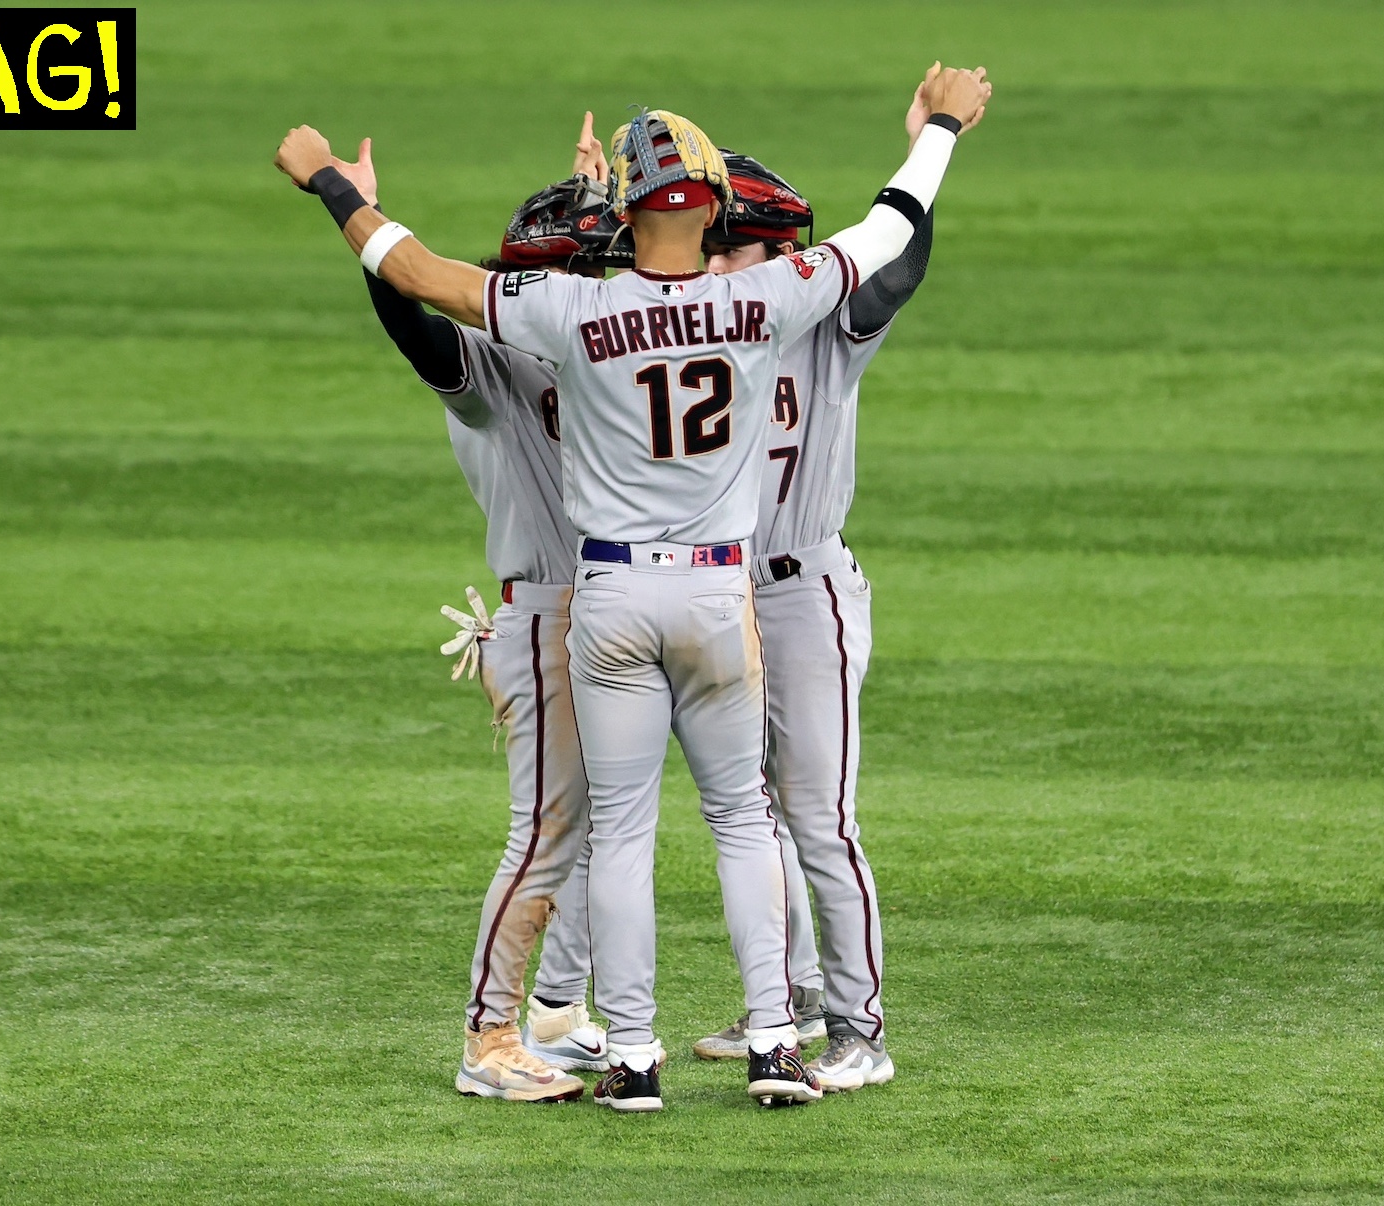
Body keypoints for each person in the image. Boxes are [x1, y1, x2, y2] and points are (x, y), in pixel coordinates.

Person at [273, 63, 991, 1111]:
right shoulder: (762, 297)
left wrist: (338, 193)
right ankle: (773, 1040)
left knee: (615, 832)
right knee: (744, 821)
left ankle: (633, 1055)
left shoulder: (565, 312)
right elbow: (886, 234)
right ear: (711, 210)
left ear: (625, 215)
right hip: (718, 594)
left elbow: (424, 279)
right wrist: (937, 131)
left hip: (604, 601)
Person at [306, 119, 623, 1103]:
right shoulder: (487, 364)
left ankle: (558, 1017)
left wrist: (596, 202)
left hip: (608, 612)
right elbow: (411, 312)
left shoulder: (590, 340)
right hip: (545, 620)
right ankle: (487, 1041)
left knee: (598, 824)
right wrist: (347, 203)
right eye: (580, 257)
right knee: (544, 831)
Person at [681, 85, 944, 1090]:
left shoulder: (821, 323)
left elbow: (899, 260)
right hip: (714, 594)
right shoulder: (691, 324)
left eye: (728, 246)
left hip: (802, 595)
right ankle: (780, 1009)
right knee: (747, 810)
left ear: (776, 249)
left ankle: (859, 1033)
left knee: (819, 817)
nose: (710, 263)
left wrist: (927, 146)